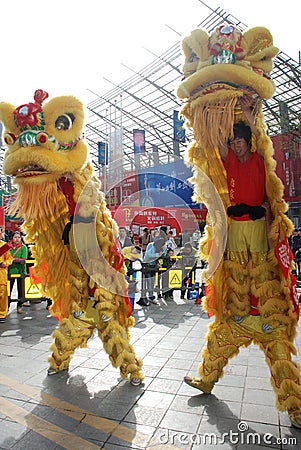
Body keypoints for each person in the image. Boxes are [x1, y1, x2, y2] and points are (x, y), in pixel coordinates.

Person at [184, 95, 301, 428]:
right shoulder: (229, 161)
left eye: (239, 140)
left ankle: (296, 409)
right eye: (232, 141)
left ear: (247, 141)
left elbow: (263, 142)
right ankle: (206, 379)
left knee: (262, 273)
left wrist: (250, 116)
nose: (235, 146)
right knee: (234, 277)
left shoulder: (259, 160)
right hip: (235, 230)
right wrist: (207, 115)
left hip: (258, 229)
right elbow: (215, 146)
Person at [138, 237, 165, 306]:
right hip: (147, 265)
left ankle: (151, 296)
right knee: (149, 281)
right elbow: (147, 255)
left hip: (154, 266)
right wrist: (157, 255)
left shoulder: (161, 249)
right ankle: (148, 296)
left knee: (152, 281)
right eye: (163, 244)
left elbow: (162, 257)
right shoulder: (151, 245)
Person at [8, 231, 29, 314]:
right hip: (10, 271)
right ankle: (7, 306)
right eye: (15, 237)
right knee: (8, 290)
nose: (17, 239)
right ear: (12, 238)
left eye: (18, 237)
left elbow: (24, 258)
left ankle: (19, 306)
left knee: (21, 290)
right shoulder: (8, 247)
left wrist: (13, 260)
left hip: (21, 272)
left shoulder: (23, 247)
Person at [0, 239, 13, 323]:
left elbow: (10, 259)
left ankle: (2, 314)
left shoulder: (4, 245)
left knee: (2, 295)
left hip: (1, 274)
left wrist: (4, 264)